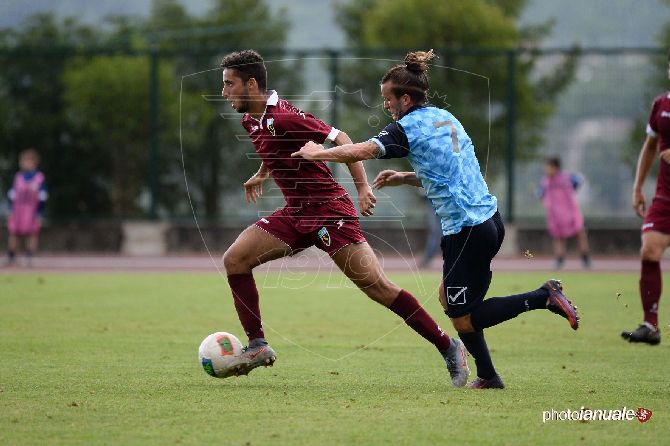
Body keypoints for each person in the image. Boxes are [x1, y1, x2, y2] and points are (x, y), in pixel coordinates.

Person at [292, 50, 580, 389]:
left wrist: (317, 153)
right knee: (450, 299)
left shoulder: (406, 127)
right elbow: (449, 170)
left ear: (406, 97)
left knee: (463, 317)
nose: (386, 105)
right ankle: (488, 376)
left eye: (388, 99)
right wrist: (405, 177)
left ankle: (542, 297)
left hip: (465, 229)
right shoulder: (445, 118)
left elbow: (358, 150)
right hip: (489, 220)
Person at [218, 50, 469, 385]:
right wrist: (263, 172)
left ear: (251, 83)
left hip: (329, 213)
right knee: (235, 260)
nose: (224, 92)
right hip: (296, 213)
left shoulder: (287, 116)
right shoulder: (251, 118)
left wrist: (362, 187)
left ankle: (449, 346)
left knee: (378, 288)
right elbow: (273, 146)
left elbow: (343, 140)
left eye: (229, 84)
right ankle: (258, 345)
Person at [621, 53, 670, 345]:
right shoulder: (662, 104)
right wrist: (638, 187)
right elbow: (651, 144)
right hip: (665, 197)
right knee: (649, 251)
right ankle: (650, 325)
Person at [537, 157, 591, 269]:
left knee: (579, 233)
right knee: (558, 236)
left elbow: (579, 181)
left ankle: (585, 258)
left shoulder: (567, 178)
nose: (547, 170)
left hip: (571, 212)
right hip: (555, 215)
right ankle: (559, 259)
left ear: (556, 168)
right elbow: (540, 194)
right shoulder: (546, 182)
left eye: (550, 167)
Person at [5, 148, 47, 267]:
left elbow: (42, 198)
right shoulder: (18, 177)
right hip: (18, 211)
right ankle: (11, 256)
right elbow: (12, 195)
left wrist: (39, 213)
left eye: (26, 161)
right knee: (14, 233)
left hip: (32, 212)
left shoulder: (39, 178)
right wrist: (11, 211)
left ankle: (30, 257)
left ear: (34, 162)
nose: (23, 164)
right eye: (22, 161)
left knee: (32, 234)